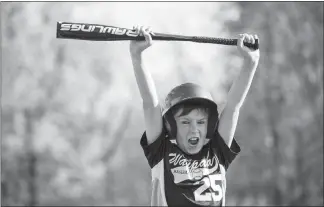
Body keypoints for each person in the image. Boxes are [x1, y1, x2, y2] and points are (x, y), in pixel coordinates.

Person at [129, 25, 260, 206]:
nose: (194, 129)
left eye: (200, 122)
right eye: (185, 122)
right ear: (171, 127)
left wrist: (250, 63)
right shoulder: (162, 151)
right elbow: (150, 105)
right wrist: (138, 57)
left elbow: (232, 107)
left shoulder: (217, 151)